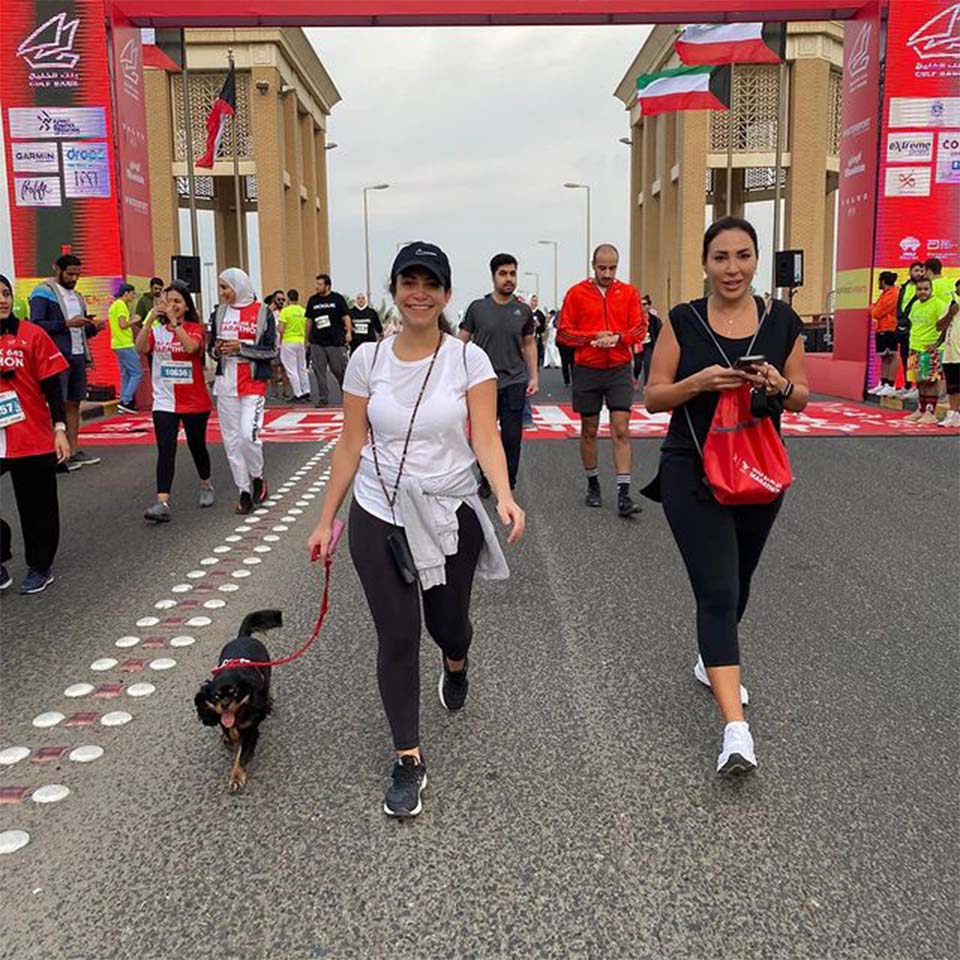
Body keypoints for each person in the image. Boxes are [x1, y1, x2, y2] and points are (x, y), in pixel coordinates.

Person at [308, 242, 525, 818]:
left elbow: (485, 435)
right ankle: (408, 757)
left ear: (447, 294)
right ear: (395, 291)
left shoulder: (467, 361)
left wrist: (503, 495)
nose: (419, 292)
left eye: (431, 282)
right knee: (399, 634)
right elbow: (351, 442)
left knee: (447, 623)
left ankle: (457, 660)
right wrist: (326, 518)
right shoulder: (367, 361)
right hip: (379, 510)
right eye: (409, 281)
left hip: (449, 510)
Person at [643, 216, 810, 777]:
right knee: (716, 591)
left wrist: (780, 388)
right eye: (721, 257)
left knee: (737, 584)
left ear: (757, 260)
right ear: (705, 263)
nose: (732, 268)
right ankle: (735, 731)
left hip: (758, 468)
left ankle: (709, 659)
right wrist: (700, 383)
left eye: (742, 256)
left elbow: (803, 395)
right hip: (691, 469)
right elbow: (654, 396)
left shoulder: (782, 320)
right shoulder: (682, 320)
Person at [557, 244, 647, 517]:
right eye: (602, 268)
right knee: (589, 428)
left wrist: (618, 337)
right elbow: (564, 333)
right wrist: (593, 337)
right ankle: (593, 484)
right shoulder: (576, 293)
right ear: (593, 265)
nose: (607, 273)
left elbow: (639, 328)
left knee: (621, 428)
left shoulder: (629, 293)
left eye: (612, 268)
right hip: (587, 368)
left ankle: (624, 493)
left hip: (618, 367)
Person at [0, 273, 71, 594]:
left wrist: (60, 429)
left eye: (5, 293)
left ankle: (40, 566)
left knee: (37, 507)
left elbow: (53, 388)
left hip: (31, 435)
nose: (1, 299)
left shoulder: (33, 334)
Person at [459, 253, 538, 497]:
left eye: (512, 273)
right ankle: (486, 478)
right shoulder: (477, 308)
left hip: (514, 381)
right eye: (503, 274)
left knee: (512, 437)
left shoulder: (523, 311)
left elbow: (529, 344)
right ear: (493, 276)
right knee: (483, 434)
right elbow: (461, 341)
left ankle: (508, 481)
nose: (508, 279)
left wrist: (533, 376)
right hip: (482, 384)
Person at [135, 281, 214, 522]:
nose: (172, 306)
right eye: (167, 301)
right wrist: (149, 320)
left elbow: (191, 348)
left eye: (177, 302)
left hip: (194, 400)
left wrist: (175, 323)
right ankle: (162, 502)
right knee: (166, 449)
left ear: (186, 306)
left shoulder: (195, 328)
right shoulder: (157, 332)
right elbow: (140, 347)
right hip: (164, 401)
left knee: (196, 445)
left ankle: (205, 484)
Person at [209, 268, 277, 513]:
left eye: (226, 287)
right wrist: (217, 350)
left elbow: (271, 351)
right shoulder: (218, 313)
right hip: (226, 384)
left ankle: (258, 476)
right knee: (232, 441)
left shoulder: (262, 312)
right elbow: (211, 351)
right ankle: (244, 490)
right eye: (220, 287)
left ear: (240, 285)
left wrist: (242, 348)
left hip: (253, 383)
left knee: (248, 434)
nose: (223, 292)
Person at [28, 254, 104, 472]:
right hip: (56, 357)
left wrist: (93, 327)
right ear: (57, 269)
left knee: (74, 402)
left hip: (78, 354)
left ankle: (73, 448)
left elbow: (79, 328)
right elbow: (37, 325)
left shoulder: (77, 296)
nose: (73, 278)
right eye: (70, 274)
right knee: (56, 404)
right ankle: (55, 451)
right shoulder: (43, 293)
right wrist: (67, 323)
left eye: (77, 275)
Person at [904, 276, 948, 425]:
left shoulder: (939, 305)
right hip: (914, 347)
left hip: (929, 349)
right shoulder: (915, 304)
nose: (922, 292)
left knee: (930, 382)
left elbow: (946, 326)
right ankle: (921, 409)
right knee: (919, 381)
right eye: (919, 289)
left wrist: (936, 344)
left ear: (931, 289)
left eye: (925, 289)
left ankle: (931, 412)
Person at [305, 273, 351, 406]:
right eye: (316, 284)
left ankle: (346, 395)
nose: (317, 287)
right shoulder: (313, 300)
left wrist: (348, 332)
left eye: (320, 284)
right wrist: (307, 339)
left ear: (327, 286)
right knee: (319, 372)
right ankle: (323, 398)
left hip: (335, 342)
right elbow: (309, 321)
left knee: (339, 370)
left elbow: (346, 316)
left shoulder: (337, 299)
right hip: (317, 342)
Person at [108, 283, 143, 414]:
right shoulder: (121, 305)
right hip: (125, 344)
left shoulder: (114, 305)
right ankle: (126, 400)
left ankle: (124, 402)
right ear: (126, 293)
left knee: (126, 374)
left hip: (117, 344)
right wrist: (135, 320)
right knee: (137, 373)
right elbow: (122, 324)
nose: (133, 296)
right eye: (132, 293)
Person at [895, 261, 925, 400]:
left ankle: (916, 386)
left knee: (915, 359)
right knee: (904, 356)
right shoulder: (904, 287)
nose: (919, 273)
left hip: (915, 327)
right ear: (910, 272)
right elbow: (900, 305)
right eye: (916, 270)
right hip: (901, 325)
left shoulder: (923, 288)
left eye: (921, 271)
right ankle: (907, 385)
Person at [867, 272, 900, 397]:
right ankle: (883, 382)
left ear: (883, 281)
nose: (877, 284)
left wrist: (874, 309)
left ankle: (891, 384)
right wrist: (874, 309)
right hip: (881, 328)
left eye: (879, 281)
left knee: (892, 355)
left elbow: (876, 312)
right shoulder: (885, 294)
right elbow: (874, 309)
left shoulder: (893, 294)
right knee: (884, 357)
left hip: (890, 328)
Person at [278, 289, 310, 402]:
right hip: (301, 341)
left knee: (291, 369)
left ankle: (298, 393)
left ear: (288, 299)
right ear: (297, 298)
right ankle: (306, 391)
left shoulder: (285, 312)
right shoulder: (303, 311)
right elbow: (307, 327)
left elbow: (281, 329)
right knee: (302, 367)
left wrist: (280, 328)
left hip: (289, 341)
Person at [937, 281, 960, 428]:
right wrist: (951, 313)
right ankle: (953, 414)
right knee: (952, 386)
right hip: (950, 352)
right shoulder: (951, 306)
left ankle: (954, 413)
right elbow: (939, 326)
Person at [265, 290, 288, 400]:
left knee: (285, 370)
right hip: (273, 345)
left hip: (285, 345)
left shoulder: (286, 312)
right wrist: (271, 307)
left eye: (283, 300)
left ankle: (286, 392)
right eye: (279, 299)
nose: (281, 301)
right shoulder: (269, 312)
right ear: (274, 299)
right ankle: (274, 393)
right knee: (273, 371)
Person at [640, 294, 662, 389]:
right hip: (638, 345)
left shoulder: (654, 319)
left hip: (649, 344)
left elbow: (659, 331)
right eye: (640, 304)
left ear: (649, 305)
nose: (642, 307)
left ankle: (646, 384)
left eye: (644, 304)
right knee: (637, 364)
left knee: (648, 363)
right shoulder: (634, 318)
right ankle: (636, 377)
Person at [530, 294, 547, 369]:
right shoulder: (525, 312)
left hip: (536, 337)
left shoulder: (540, 314)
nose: (534, 303)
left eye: (536, 301)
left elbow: (543, 328)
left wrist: (539, 325)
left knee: (536, 357)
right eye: (533, 301)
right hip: (526, 338)